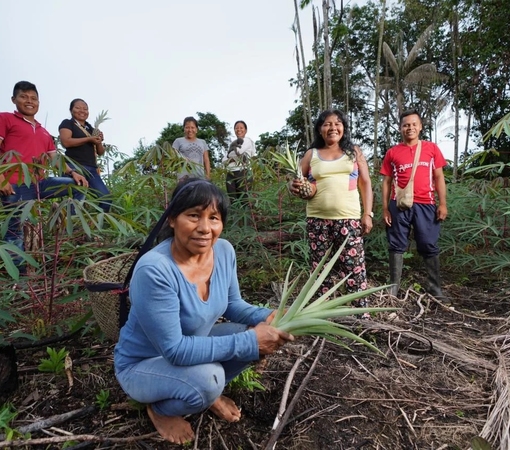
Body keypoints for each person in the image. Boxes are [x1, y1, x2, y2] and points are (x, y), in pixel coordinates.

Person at [113, 178, 293, 445]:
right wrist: (250, 341)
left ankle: (207, 393)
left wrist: (266, 316)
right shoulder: (155, 270)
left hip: (189, 350)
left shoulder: (223, 251)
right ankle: (161, 410)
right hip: (144, 364)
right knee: (211, 379)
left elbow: (232, 305)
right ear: (172, 219)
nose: (205, 228)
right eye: (193, 216)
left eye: (214, 218)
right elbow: (174, 350)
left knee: (248, 336)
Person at [290, 109, 373, 306]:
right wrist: (293, 186)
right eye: (327, 124)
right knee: (319, 271)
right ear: (320, 129)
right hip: (317, 221)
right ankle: (320, 315)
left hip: (349, 219)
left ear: (343, 128)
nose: (332, 127)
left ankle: (361, 316)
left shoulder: (354, 151)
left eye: (337, 123)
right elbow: (296, 180)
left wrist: (367, 214)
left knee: (354, 269)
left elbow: (366, 183)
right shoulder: (312, 154)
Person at [0, 81, 88, 267]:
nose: (29, 101)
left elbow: (56, 159)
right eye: (23, 97)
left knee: (78, 186)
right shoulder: (5, 119)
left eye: (34, 98)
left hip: (40, 183)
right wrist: (1, 178)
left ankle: (63, 224)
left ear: (39, 102)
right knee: (14, 233)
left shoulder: (44, 131)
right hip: (15, 185)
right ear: (13, 99)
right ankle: (19, 281)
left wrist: (73, 173)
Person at [380, 109, 449, 301]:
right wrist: (385, 207)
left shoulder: (431, 148)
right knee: (396, 245)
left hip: (426, 203)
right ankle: (393, 290)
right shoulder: (392, 152)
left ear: (420, 127)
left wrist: (442, 204)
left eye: (413, 124)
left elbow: (439, 177)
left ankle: (435, 289)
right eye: (405, 125)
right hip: (398, 205)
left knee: (428, 243)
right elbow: (386, 182)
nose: (409, 128)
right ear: (400, 128)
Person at [58, 99, 111, 212]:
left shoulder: (90, 128)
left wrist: (99, 141)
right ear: (71, 110)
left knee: (106, 198)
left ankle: (95, 226)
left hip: (91, 168)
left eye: (85, 108)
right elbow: (66, 142)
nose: (82, 110)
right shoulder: (68, 123)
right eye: (78, 108)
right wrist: (89, 138)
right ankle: (70, 226)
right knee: (76, 199)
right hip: (73, 165)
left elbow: (100, 152)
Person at [222, 120, 257, 202]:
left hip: (243, 172)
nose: (238, 130)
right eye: (236, 128)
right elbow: (223, 160)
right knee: (232, 200)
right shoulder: (233, 143)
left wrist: (230, 158)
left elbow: (239, 152)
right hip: (230, 173)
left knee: (244, 200)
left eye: (241, 128)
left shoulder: (247, 140)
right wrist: (233, 157)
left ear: (246, 130)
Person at [172, 116, 211, 181]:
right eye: (187, 127)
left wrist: (208, 175)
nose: (190, 130)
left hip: (199, 176)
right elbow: (173, 156)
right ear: (184, 129)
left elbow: (206, 159)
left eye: (192, 127)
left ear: (196, 129)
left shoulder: (202, 142)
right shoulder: (178, 141)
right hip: (183, 177)